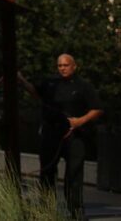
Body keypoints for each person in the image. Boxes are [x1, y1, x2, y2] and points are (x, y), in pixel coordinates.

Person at [18, 54, 103, 219]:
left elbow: (97, 109)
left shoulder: (83, 86)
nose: (62, 68)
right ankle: (46, 210)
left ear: (74, 66)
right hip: (51, 133)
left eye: (65, 65)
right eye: (59, 66)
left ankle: (76, 212)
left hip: (74, 135)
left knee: (74, 175)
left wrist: (80, 121)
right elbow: (36, 93)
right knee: (47, 172)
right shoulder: (50, 83)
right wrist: (21, 80)